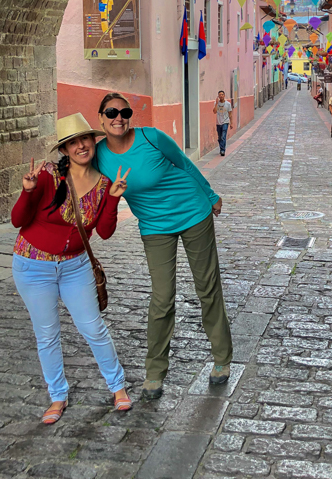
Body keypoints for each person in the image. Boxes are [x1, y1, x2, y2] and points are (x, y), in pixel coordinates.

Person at [95, 93, 232, 401]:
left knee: (207, 288)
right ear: (101, 119)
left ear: (130, 116)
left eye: (124, 111)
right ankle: (155, 372)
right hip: (155, 227)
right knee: (161, 297)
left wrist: (210, 196)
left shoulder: (152, 137)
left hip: (192, 212)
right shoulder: (99, 155)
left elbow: (183, 163)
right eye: (111, 112)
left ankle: (222, 357)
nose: (119, 117)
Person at [11, 113, 132, 425]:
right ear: (64, 149)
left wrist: (114, 199)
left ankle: (117, 387)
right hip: (33, 265)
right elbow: (18, 220)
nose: (81, 145)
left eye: (85, 139)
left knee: (93, 327)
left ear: (93, 142)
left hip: (76, 266)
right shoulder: (49, 178)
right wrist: (27, 190)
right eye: (73, 142)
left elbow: (104, 231)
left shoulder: (105, 183)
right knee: (47, 334)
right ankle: (57, 396)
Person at [213, 90, 234, 157]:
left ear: (224, 95)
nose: (221, 96)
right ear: (218, 96)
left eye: (222, 94)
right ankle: (221, 147)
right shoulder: (216, 103)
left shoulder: (228, 104)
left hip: (225, 122)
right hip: (218, 122)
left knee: (223, 136)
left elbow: (230, 114)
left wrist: (231, 123)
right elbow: (214, 112)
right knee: (219, 138)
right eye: (220, 95)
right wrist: (216, 103)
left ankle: (223, 150)